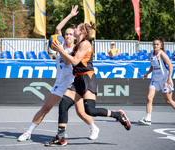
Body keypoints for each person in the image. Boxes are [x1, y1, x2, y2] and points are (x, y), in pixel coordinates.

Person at [45, 11, 131, 147]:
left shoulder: (85, 44)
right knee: (63, 104)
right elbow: (68, 60)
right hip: (77, 80)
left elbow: (74, 62)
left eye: (77, 28)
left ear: (82, 32)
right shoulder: (75, 46)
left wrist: (60, 50)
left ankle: (118, 115)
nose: (74, 30)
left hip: (87, 78)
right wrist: (59, 49)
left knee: (90, 110)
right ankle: (61, 137)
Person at [18, 5, 99, 142]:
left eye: (70, 34)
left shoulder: (77, 49)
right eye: (66, 34)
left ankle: (93, 127)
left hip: (73, 85)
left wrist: (62, 50)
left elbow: (71, 62)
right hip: (60, 83)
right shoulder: (58, 44)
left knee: (81, 112)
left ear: (75, 36)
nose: (68, 36)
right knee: (46, 108)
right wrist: (70, 15)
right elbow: (57, 29)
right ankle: (28, 132)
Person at [138, 37, 175, 126]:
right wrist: (146, 74)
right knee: (149, 98)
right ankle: (148, 119)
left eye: (157, 44)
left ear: (161, 46)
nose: (155, 46)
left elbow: (170, 66)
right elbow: (152, 66)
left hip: (164, 80)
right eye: (154, 44)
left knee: (169, 101)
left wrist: (169, 78)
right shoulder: (151, 55)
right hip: (155, 79)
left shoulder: (162, 54)